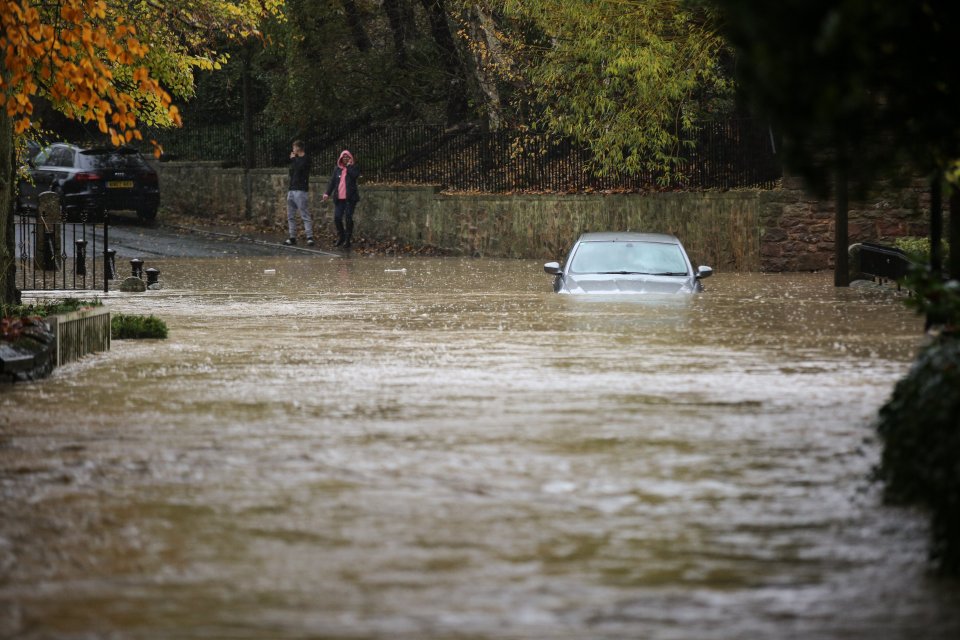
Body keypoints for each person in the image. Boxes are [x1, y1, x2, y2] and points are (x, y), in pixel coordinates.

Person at [322, 149, 360, 248]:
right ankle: (341, 236)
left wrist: (349, 167)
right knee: (337, 218)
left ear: (350, 158)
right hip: (339, 199)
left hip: (350, 198)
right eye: (344, 157)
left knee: (348, 217)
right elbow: (332, 182)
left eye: (348, 157)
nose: (346, 159)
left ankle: (348, 239)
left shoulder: (353, 167)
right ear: (341, 158)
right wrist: (327, 193)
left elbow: (355, 176)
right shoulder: (337, 169)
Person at [285, 140, 314, 246]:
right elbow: (292, 172)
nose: (293, 150)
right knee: (290, 215)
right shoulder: (295, 159)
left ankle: (309, 237)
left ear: (298, 148)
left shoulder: (306, 159)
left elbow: (300, 168)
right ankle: (292, 237)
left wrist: (293, 159)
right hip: (292, 189)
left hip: (301, 190)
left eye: (294, 147)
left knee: (304, 214)